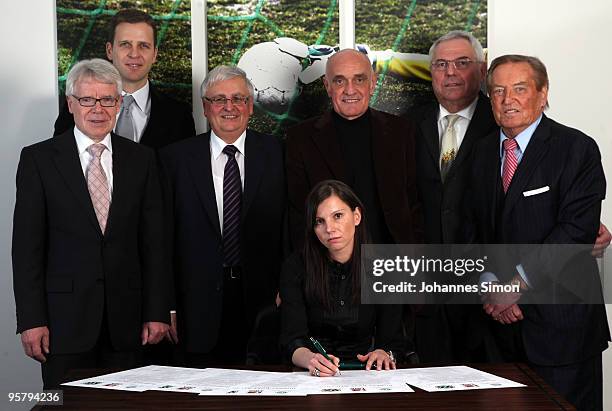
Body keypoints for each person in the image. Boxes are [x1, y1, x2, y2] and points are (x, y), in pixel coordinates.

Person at [12, 59, 170, 389]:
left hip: (128, 324)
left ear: (119, 103)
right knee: (62, 406)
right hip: (62, 325)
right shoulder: (38, 160)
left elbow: (154, 243)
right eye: (87, 99)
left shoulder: (142, 160)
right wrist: (31, 320)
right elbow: (26, 250)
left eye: (108, 100)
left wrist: (157, 311)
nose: (98, 109)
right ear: (71, 104)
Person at [468, 54, 610, 410]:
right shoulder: (481, 153)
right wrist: (489, 286)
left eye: (519, 89)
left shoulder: (576, 149)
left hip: (562, 332)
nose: (507, 99)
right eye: (498, 91)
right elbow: (470, 229)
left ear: (543, 93)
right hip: (497, 332)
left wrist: (513, 288)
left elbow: (574, 233)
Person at [159, 65, 286, 367]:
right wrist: (168, 306)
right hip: (196, 308)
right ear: (205, 107)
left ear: (250, 106)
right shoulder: (173, 160)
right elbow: (161, 239)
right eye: (219, 100)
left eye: (238, 99)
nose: (229, 107)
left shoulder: (279, 154)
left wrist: (288, 290)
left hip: (264, 304)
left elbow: (289, 230)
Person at [286, 48, 422, 251]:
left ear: (373, 83)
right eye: (340, 81)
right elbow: (298, 215)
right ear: (327, 86)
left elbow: (415, 204)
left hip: (392, 261)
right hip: (328, 265)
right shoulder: (300, 139)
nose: (350, 90)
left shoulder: (402, 132)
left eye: (359, 80)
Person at [280, 180, 403, 376]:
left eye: (337, 216)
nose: (329, 228)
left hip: (369, 375)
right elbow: (292, 339)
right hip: (313, 375)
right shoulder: (295, 266)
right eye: (319, 221)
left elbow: (392, 339)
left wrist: (382, 352)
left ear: (356, 216)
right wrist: (311, 359)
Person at [54, 8, 195, 148]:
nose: (134, 54)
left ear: (154, 54)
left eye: (143, 46)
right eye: (125, 45)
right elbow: (60, 160)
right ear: (110, 50)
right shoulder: (77, 108)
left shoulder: (179, 116)